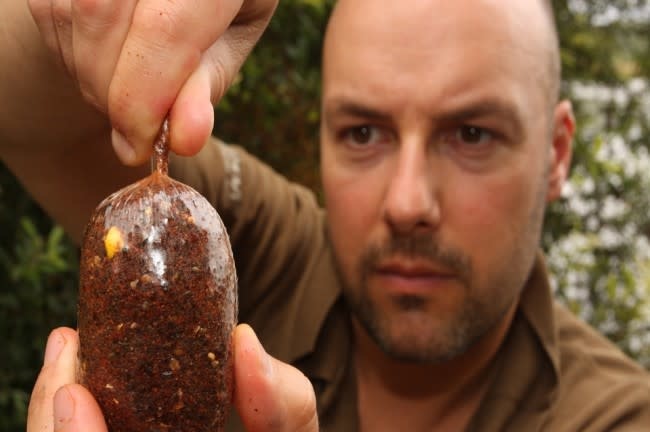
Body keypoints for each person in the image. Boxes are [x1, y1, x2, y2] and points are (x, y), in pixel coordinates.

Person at [2, 0, 649, 430]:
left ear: (556, 154)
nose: (407, 204)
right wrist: (87, 22)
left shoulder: (617, 417)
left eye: (471, 135)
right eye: (363, 133)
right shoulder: (266, 248)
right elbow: (31, 118)